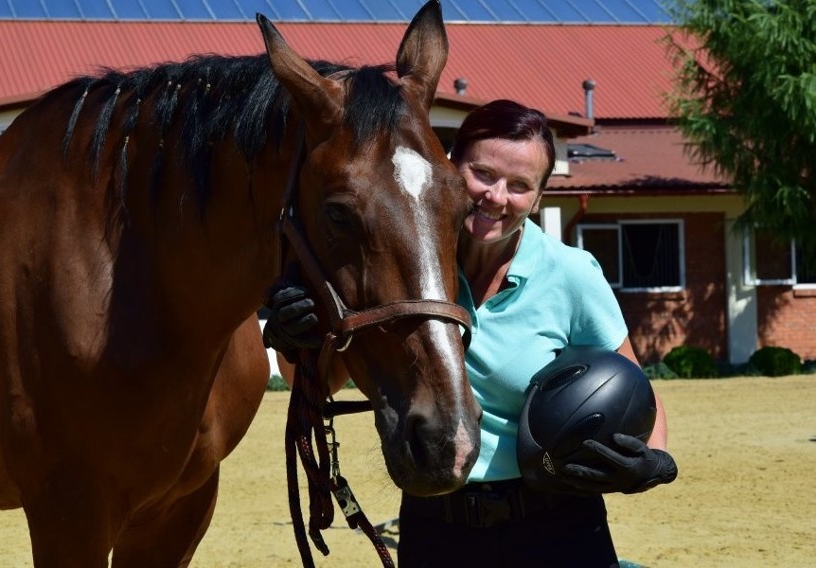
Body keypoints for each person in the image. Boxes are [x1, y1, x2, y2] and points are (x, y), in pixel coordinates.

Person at [263, 99, 677, 567]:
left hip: (556, 524)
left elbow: (633, 385)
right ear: (449, 167)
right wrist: (299, 337)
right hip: (436, 521)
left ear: (539, 198)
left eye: (520, 185)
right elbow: (313, 385)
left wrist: (654, 459)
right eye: (482, 173)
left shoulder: (570, 274)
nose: (497, 196)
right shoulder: (404, 266)